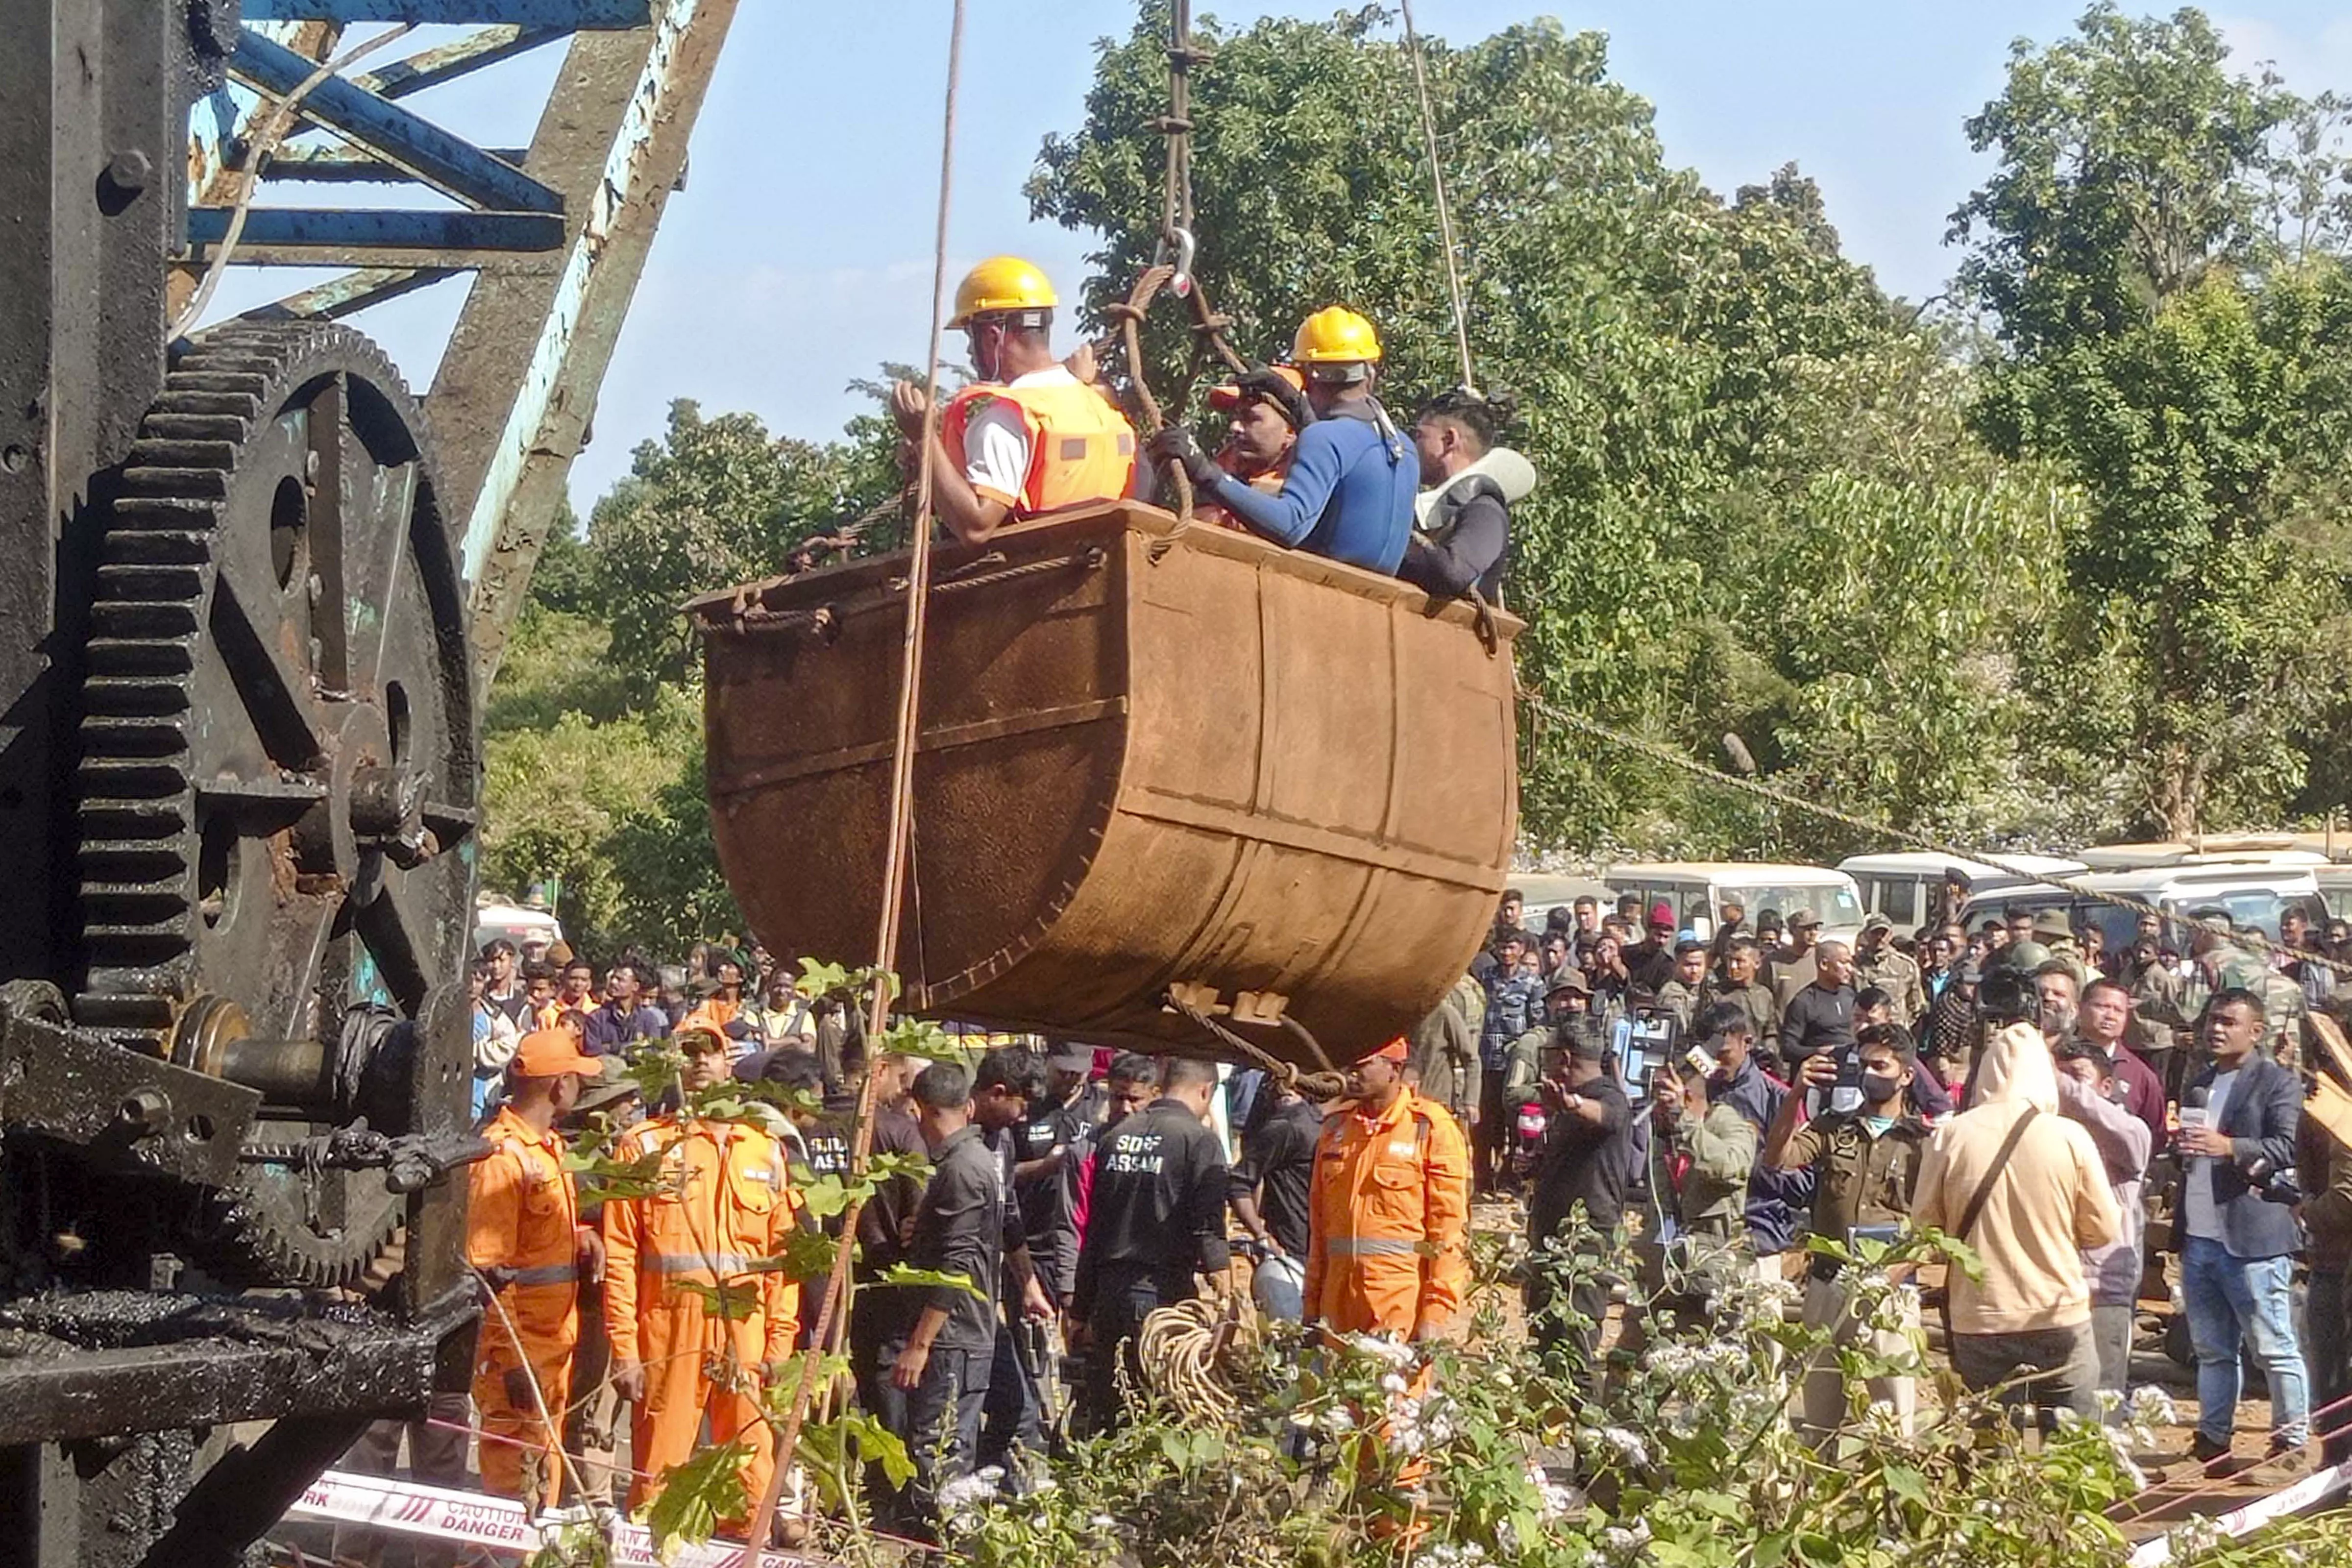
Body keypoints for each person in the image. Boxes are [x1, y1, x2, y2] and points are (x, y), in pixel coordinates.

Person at [602, 1012, 800, 1530]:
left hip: (746, 1332)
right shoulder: (644, 1146)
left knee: (749, 1470)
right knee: (658, 1476)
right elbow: (621, 1254)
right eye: (687, 1052)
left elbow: (785, 1260)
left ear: (726, 1060)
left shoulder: (764, 1149)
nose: (698, 1063)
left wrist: (779, 1346)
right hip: (670, 1334)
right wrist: (624, 1348)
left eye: (708, 1050)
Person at [1912, 1018, 2119, 1428]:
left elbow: (1925, 1233)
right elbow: (2103, 1230)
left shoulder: (1950, 1136)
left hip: (1979, 1314)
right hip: (2058, 1312)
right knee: (2074, 1445)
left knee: (1991, 1446)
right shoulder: (2070, 1136)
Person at [1152, 307, 1417, 574]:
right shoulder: (1403, 447)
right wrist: (1289, 396)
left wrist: (1206, 472)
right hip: (1376, 602)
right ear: (1368, 373)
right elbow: (1344, 462)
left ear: (1312, 374)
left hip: (1325, 599)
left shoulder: (1326, 438)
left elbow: (1290, 525)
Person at [892, 256, 1137, 545]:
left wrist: (924, 441)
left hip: (1041, 575)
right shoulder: (1102, 407)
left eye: (971, 337)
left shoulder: (1006, 420)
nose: (970, 351)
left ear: (993, 337)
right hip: (1107, 559)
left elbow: (976, 528)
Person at [1765, 1024, 1930, 1445]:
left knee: (1894, 1425)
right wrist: (1797, 1093)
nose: (1871, 1073)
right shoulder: (1831, 1128)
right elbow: (1778, 1158)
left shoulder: (1922, 1144)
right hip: (1827, 1284)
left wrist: (1895, 1274)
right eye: (1864, 1064)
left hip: (1888, 1294)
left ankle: (1892, 1505)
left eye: (1882, 1065)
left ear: (1906, 1076)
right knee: (1819, 1424)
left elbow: (1932, 1225)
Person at [467, 1029, 606, 1509]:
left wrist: (580, 1236)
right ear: (558, 1084)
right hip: (521, 1351)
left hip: (551, 1344)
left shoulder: (550, 1149)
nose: (581, 1088)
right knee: (513, 1483)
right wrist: (511, 1363)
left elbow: (535, 1237)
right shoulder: (503, 1157)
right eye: (577, 1078)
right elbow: (489, 1268)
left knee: (539, 1476)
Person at [2176, 988, 2309, 1472]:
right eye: (2212, 1019)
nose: (2216, 1028)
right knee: (2212, 1350)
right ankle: (2214, 1442)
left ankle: (2290, 1442)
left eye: (2228, 1021)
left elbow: (2287, 1146)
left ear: (2256, 1030)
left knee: (2272, 1345)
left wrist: (2229, 1146)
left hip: (2253, 1238)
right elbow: (2192, 1150)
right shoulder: (2200, 1083)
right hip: (2201, 1237)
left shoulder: (2277, 1082)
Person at [1070, 1057, 1233, 1427]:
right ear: (1205, 1091)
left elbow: (1094, 1231)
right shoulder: (1200, 1141)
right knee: (1158, 1413)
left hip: (1108, 1295)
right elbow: (1208, 1227)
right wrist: (1225, 1290)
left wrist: (1080, 1311)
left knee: (1110, 1410)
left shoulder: (1115, 1138)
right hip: (1161, 1299)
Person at [881, 1062, 1006, 1537]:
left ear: (922, 1110)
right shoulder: (973, 1159)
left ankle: (946, 1546)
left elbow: (955, 1266)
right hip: (963, 1332)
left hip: (954, 1336)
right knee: (945, 1450)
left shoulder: (959, 1168)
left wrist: (921, 1342)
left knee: (939, 1455)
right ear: (969, 1105)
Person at [1303, 1037, 1472, 1341]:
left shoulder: (1430, 1128)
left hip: (1398, 1299)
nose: (1351, 1073)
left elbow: (1449, 1228)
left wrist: (1436, 1311)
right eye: (1348, 1065)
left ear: (1394, 1069)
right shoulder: (1334, 1130)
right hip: (1338, 1303)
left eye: (1362, 1065)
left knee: (1394, 1387)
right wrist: (1311, 1304)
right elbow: (1318, 1229)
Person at [1524, 1028, 1635, 1373]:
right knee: (1547, 1342)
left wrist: (1573, 1105)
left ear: (1565, 1058)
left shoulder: (1607, 1095)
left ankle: (1580, 1423)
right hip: (1554, 1242)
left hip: (1584, 1247)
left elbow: (1609, 1115)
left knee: (1575, 1346)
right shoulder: (1567, 1105)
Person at [2051, 1040, 2151, 1407]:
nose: (2067, 1089)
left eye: (2079, 1077)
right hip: (2054, 1286)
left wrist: (2055, 1078)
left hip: (2102, 1289)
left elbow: (2109, 1122)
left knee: (2102, 1399)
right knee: (2058, 1396)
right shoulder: (2046, 1136)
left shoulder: (2129, 1135)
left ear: (2106, 1087)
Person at [1399, 387, 1526, 602]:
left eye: (1420, 435)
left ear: (1449, 440)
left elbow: (1453, 574)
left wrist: (1392, 539)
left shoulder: (1485, 510)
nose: (1413, 445)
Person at [1013, 1045, 1100, 1312]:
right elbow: (1002, 1172)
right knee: (1032, 1331)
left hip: (1083, 1243)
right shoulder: (1027, 1106)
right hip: (1032, 1242)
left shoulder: (1102, 1107)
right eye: (1063, 1072)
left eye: (1078, 1073)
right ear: (1048, 1062)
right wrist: (1044, 1167)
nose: (1071, 1079)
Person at [1229, 1076, 1322, 1321]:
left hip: (1328, 1258)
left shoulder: (1338, 1128)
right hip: (1291, 1256)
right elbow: (1238, 1181)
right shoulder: (1290, 1127)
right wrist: (1261, 1235)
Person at [1196, 365, 1308, 528]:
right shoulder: (1229, 461)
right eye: (1236, 416)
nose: (1235, 427)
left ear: (1290, 432)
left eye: (1251, 418)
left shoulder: (1300, 491)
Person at [1778, 939, 1857, 1069]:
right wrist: (1818, 1052)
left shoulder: (1850, 995)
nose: (1850, 969)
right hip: (1820, 1073)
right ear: (1824, 965)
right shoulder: (1804, 1002)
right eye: (1843, 963)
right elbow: (1788, 1049)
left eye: (1850, 963)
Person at [1698, 935, 1777, 1045]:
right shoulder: (1715, 994)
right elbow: (1702, 1034)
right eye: (1730, 960)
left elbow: (1771, 1033)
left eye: (1740, 961)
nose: (1733, 966)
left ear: (1757, 964)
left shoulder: (1764, 995)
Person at [1852, 914, 1926, 1026]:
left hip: (1895, 1031)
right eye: (1875, 933)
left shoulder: (1906, 965)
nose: (1880, 938)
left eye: (1884, 934)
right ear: (1866, 935)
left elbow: (1916, 1005)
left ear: (1891, 935)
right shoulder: (1855, 964)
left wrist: (1903, 1026)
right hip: (1864, 1030)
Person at [583, 961, 666, 1056]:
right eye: (613, 978)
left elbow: (654, 1051)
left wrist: (614, 1048)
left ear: (635, 986)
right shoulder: (597, 1018)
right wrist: (634, 1048)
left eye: (620, 980)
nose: (614, 982)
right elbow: (592, 1052)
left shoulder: (648, 1019)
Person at [1769, 910, 1826, 1010]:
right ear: (1793, 930)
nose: (1813, 933)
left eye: (1816, 928)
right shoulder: (1774, 961)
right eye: (1807, 929)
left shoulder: (1823, 957)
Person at [1651, 940, 1710, 1033]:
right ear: (1676, 965)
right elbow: (1679, 1030)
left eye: (1698, 965)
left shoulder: (1710, 989)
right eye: (1688, 965)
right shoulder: (1671, 993)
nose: (1694, 970)